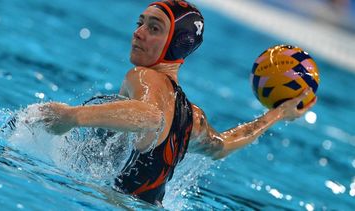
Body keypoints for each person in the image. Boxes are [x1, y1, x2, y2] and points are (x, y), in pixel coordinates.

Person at [40, 0, 317, 206]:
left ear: (177, 42)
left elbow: (151, 116)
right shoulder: (193, 118)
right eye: (140, 23)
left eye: (154, 27)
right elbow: (220, 146)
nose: (138, 32)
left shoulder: (142, 76)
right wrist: (278, 113)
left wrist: (73, 116)